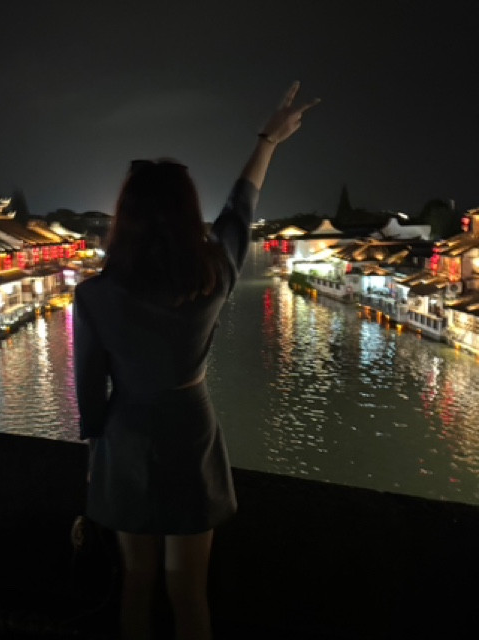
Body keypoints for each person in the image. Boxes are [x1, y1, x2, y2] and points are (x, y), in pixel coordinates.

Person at [73, 81, 319, 640]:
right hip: (191, 429)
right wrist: (267, 141)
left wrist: (96, 454)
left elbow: (89, 393)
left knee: (136, 583)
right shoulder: (214, 276)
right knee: (189, 592)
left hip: (126, 436)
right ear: (188, 213)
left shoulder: (94, 296)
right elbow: (238, 211)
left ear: (126, 216)